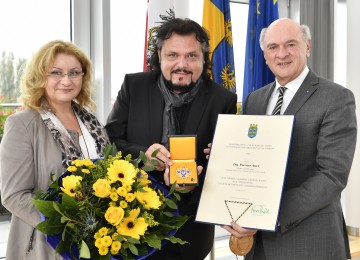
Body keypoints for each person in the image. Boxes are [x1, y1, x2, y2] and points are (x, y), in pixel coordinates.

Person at [218, 18, 357, 259]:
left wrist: (267, 214)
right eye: (273, 47)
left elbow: (331, 176)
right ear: (264, 54)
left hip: (309, 240)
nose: (281, 54)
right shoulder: (255, 99)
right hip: (257, 243)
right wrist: (224, 156)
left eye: (290, 44)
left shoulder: (336, 98)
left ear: (307, 47)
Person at [106, 18, 237, 260]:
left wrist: (196, 181)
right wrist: (142, 156)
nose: (182, 64)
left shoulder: (223, 99)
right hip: (131, 227)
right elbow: (110, 143)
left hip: (191, 231)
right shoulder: (134, 86)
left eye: (191, 56)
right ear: (160, 55)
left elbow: (227, 164)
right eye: (173, 55)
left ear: (203, 58)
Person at [0, 40, 110, 259]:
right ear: (41, 76)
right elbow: (13, 195)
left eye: (74, 72)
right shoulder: (23, 124)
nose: (66, 80)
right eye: (56, 72)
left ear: (83, 77)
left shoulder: (93, 123)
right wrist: (66, 226)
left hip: (97, 242)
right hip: (45, 245)